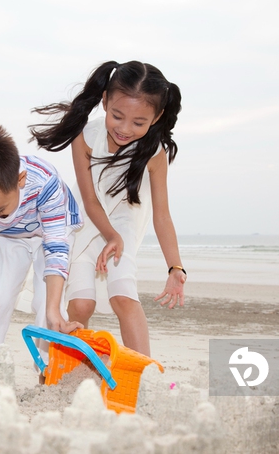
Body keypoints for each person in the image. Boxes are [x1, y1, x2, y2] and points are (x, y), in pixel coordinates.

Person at [30, 60, 187, 357]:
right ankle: (66, 367)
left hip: (124, 229)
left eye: (138, 122)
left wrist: (175, 267)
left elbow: (162, 215)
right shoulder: (85, 137)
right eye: (117, 116)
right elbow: (89, 201)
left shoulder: (154, 154)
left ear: (156, 118)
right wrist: (109, 235)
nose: (125, 129)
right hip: (85, 226)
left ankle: (143, 372)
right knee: (81, 305)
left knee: (123, 296)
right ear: (104, 101)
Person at [0, 123, 83, 364]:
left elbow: (55, 248)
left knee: (48, 303)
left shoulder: (44, 182)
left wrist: (52, 309)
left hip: (52, 231)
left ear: (20, 180)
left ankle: (49, 371)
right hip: (10, 235)